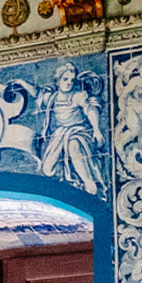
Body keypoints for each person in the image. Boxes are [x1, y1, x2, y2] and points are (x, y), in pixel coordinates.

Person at [37, 62, 105, 195]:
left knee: (73, 146)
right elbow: (36, 93)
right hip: (60, 135)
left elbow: (90, 109)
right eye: (65, 79)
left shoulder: (78, 95)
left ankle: (89, 183)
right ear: (57, 81)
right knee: (47, 169)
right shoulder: (52, 98)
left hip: (79, 132)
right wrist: (21, 83)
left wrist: (96, 129)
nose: (69, 83)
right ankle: (70, 181)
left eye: (72, 80)